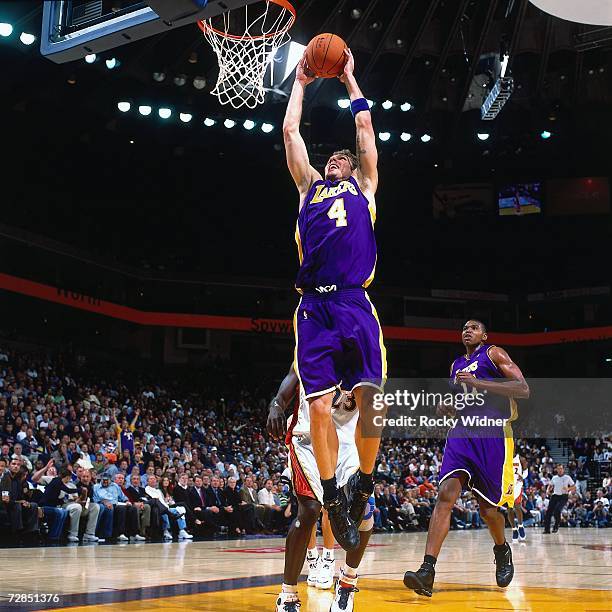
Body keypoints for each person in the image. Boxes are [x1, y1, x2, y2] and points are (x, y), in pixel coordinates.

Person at [282, 47, 386, 552]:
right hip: (314, 307)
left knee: (371, 398)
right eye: (333, 159)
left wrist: (349, 79)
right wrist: (300, 82)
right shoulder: (309, 190)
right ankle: (331, 497)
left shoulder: (365, 190)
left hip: (354, 301)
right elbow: (290, 134)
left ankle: (362, 483)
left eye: (343, 158)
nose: (338, 160)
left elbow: (365, 134)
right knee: (319, 408)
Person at [404, 320, 529, 597]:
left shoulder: (494, 353)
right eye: (464, 327)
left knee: (488, 510)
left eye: (473, 327)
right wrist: (448, 406)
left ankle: (501, 549)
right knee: (445, 497)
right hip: (461, 432)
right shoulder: (456, 366)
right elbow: (462, 399)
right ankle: (427, 570)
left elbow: (523, 389)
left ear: (484, 335)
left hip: (492, 432)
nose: (467, 330)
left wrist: (479, 382)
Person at [268, 364, 375, 612]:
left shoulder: (364, 352)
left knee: (366, 511)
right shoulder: (311, 346)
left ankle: (347, 584)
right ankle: (288, 594)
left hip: (349, 443)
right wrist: (276, 405)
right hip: (307, 438)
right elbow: (286, 388)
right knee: (309, 511)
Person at [544, 464, 575, 534]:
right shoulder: (554, 478)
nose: (560, 470)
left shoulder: (567, 477)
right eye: (558, 469)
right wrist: (548, 490)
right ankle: (547, 529)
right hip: (555, 495)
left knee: (557, 510)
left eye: (561, 468)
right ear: (556, 470)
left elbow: (574, 487)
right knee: (548, 512)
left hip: (563, 496)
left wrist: (568, 488)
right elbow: (550, 485)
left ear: (563, 470)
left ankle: (556, 525)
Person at [507, 454, 528, 542]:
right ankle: (514, 530)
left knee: (517, 506)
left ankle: (520, 525)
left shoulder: (521, 459)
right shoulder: (505, 457)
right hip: (508, 486)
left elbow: (526, 470)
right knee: (509, 509)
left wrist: (522, 476)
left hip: (517, 486)